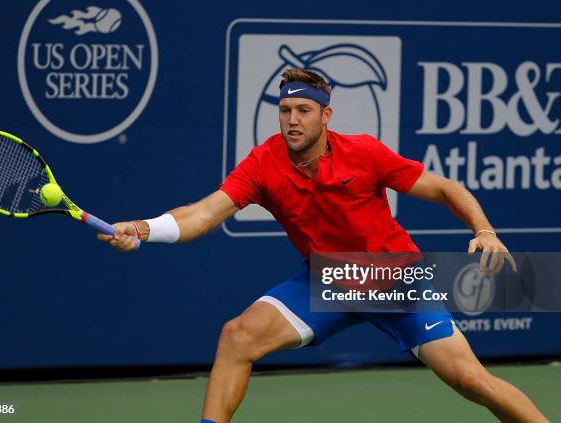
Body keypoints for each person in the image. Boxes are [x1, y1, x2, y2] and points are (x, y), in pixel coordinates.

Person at [97, 69, 548, 423]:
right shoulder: (263, 163)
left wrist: (484, 230)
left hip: (396, 278)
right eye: (285, 110)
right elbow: (202, 214)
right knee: (237, 337)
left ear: (326, 116)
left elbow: (445, 188)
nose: (292, 120)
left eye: (304, 111)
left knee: (473, 382)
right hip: (329, 280)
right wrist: (142, 228)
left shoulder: (365, 153)